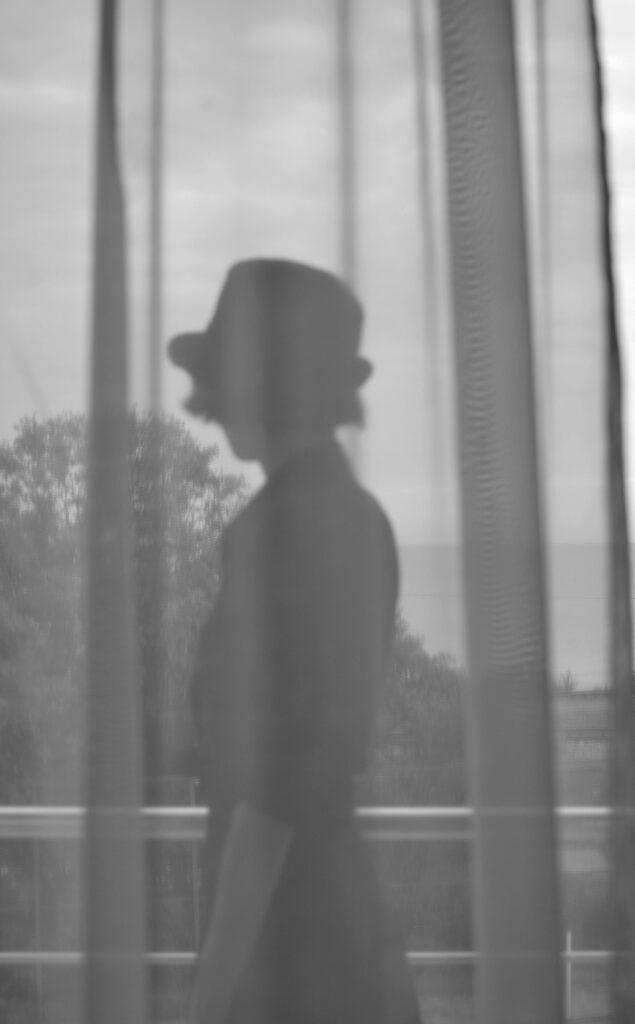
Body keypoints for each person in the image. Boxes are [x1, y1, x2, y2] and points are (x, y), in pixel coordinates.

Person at [168, 258, 422, 1024]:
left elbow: (275, 793)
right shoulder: (356, 518)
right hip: (334, 934)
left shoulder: (281, 531)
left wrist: (210, 993)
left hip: (289, 951)